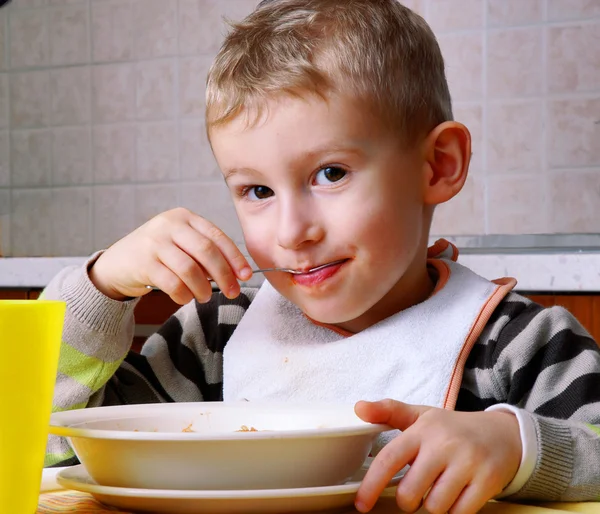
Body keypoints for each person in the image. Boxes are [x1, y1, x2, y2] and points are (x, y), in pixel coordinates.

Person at [43, 1, 600, 512]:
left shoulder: (521, 344)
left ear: (438, 166)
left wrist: (513, 443)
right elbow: (46, 445)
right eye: (256, 191)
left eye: (330, 174)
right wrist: (101, 289)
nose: (292, 232)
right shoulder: (213, 336)